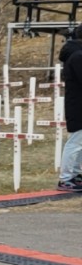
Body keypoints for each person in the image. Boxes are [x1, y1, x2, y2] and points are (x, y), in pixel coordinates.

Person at [56, 29, 82, 191]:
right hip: (78, 105)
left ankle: (76, 173)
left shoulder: (76, 54)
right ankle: (65, 178)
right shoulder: (78, 56)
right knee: (75, 142)